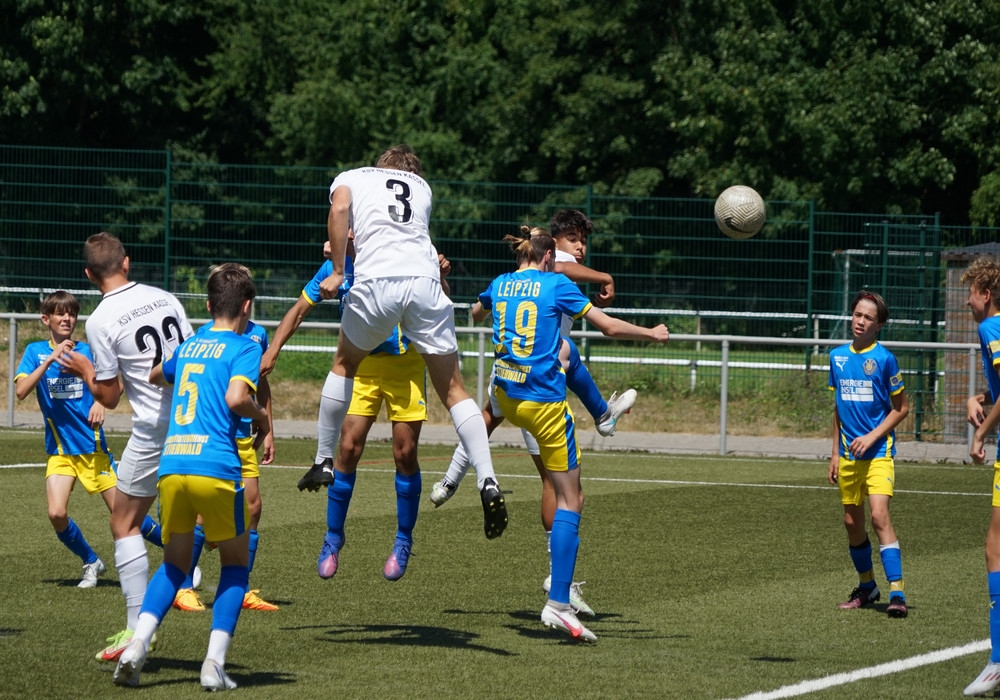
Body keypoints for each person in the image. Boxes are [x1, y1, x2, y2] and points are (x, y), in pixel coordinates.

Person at [479, 227, 669, 641]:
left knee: (567, 351)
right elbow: (609, 327)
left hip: (507, 396)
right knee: (572, 498)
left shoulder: (501, 283)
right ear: (549, 257)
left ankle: (603, 414)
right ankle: (558, 602)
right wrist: (651, 334)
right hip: (544, 406)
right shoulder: (556, 284)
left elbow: (477, 313)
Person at [312, 143, 506, 540]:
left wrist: (337, 270)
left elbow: (340, 210)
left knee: (344, 364)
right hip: (423, 283)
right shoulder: (423, 188)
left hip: (377, 281)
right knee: (454, 390)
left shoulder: (351, 177)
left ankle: (323, 459)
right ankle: (487, 478)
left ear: (380, 167)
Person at [112, 262, 269, 690]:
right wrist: (261, 417)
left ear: (208, 304)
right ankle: (213, 664)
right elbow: (237, 398)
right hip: (216, 467)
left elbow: (155, 375)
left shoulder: (191, 344)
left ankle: (137, 645)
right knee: (234, 566)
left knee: (173, 566)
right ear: (247, 306)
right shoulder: (246, 346)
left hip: (173, 465)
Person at [261, 240, 448, 581]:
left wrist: (440, 275)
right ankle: (333, 537)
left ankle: (403, 540)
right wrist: (272, 350)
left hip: (405, 366)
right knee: (347, 448)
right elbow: (299, 310)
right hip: (361, 365)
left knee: (405, 452)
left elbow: (439, 298)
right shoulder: (336, 269)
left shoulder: (397, 255)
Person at [58, 232, 193, 662]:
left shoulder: (100, 320)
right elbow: (193, 357)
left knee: (124, 523)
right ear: (127, 263)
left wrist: (83, 369)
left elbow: (110, 396)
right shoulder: (165, 298)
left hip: (154, 429)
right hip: (194, 420)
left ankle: (137, 630)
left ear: (88, 274)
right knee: (183, 520)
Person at [14, 291, 162, 589]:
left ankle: (181, 554)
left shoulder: (88, 351)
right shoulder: (34, 352)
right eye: (60, 313)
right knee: (56, 513)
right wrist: (51, 359)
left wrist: (99, 403)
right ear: (46, 319)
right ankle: (91, 561)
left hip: (92, 450)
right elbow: (21, 391)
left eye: (71, 313)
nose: (66, 318)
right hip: (60, 451)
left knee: (126, 515)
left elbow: (115, 384)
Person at [173, 268, 278, 613]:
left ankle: (240, 588)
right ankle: (184, 587)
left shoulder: (257, 336)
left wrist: (268, 427)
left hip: (244, 435)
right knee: (203, 514)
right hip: (216, 436)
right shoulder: (205, 335)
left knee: (253, 507)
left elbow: (259, 384)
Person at [827, 290, 909, 619]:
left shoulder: (885, 359)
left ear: (879, 325)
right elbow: (838, 408)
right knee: (851, 522)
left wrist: (873, 436)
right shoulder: (837, 357)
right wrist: (835, 453)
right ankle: (867, 586)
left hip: (878, 453)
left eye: (868, 318)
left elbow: (902, 408)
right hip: (848, 456)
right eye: (857, 315)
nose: (860, 321)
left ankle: (897, 592)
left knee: (878, 516)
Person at [960, 256, 1000, 696]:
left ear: (986, 295)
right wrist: (981, 396)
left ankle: (998, 659)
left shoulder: (990, 328)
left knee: (995, 548)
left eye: (969, 294)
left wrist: (980, 433)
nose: (966, 302)